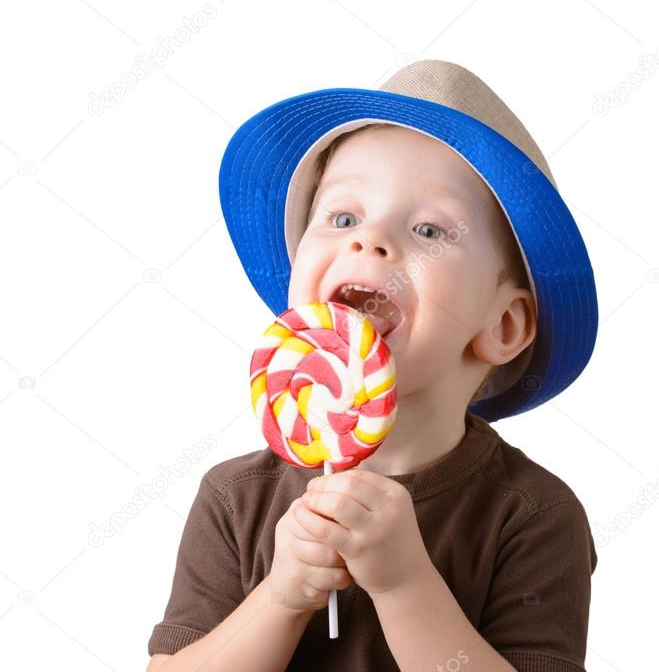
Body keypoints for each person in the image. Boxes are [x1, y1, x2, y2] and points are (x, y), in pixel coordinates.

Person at [147, 59, 600, 671]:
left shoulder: (533, 514)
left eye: (429, 229)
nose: (370, 240)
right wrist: (281, 596)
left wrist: (404, 584)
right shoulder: (235, 499)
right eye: (342, 217)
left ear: (504, 326)